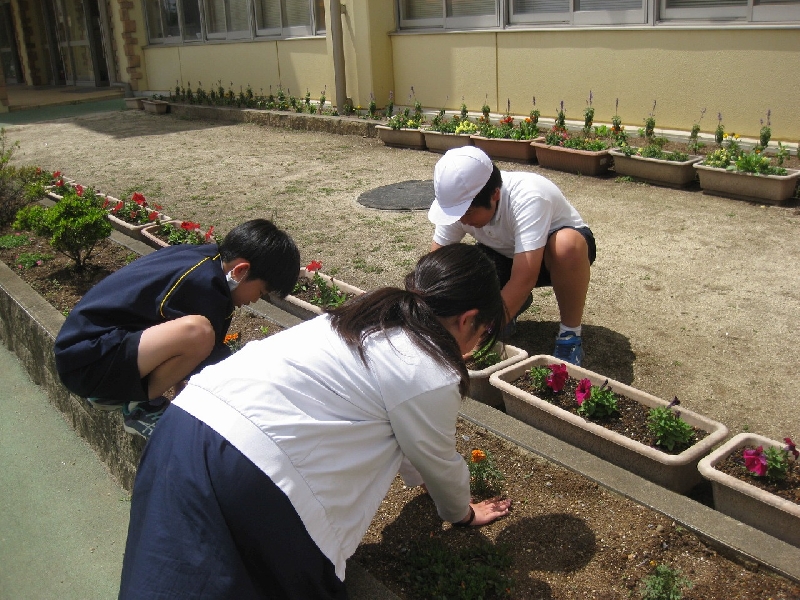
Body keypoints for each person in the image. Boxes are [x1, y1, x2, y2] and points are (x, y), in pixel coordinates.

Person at [118, 244, 513, 599]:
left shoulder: (359, 318)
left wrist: (423, 476)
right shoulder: (429, 369)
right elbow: (438, 459)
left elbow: (408, 432)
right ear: (469, 319)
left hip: (185, 426)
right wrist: (461, 512)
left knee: (159, 579)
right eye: (488, 331)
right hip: (253, 477)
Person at [53, 218, 300, 438]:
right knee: (198, 332)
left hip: (85, 351)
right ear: (241, 270)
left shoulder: (205, 260)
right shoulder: (203, 286)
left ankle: (117, 394)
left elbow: (192, 361)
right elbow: (202, 361)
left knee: (201, 337)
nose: (256, 300)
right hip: (87, 363)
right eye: (261, 292)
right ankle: (139, 407)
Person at [428, 146, 596, 366]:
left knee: (566, 246)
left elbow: (524, 277)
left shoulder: (529, 196)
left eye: (467, 213)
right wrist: (422, 318)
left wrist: (484, 335)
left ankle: (569, 336)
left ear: (494, 194)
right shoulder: (463, 204)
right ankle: (512, 307)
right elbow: (436, 263)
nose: (462, 220)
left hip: (553, 260)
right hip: (504, 256)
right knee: (462, 266)